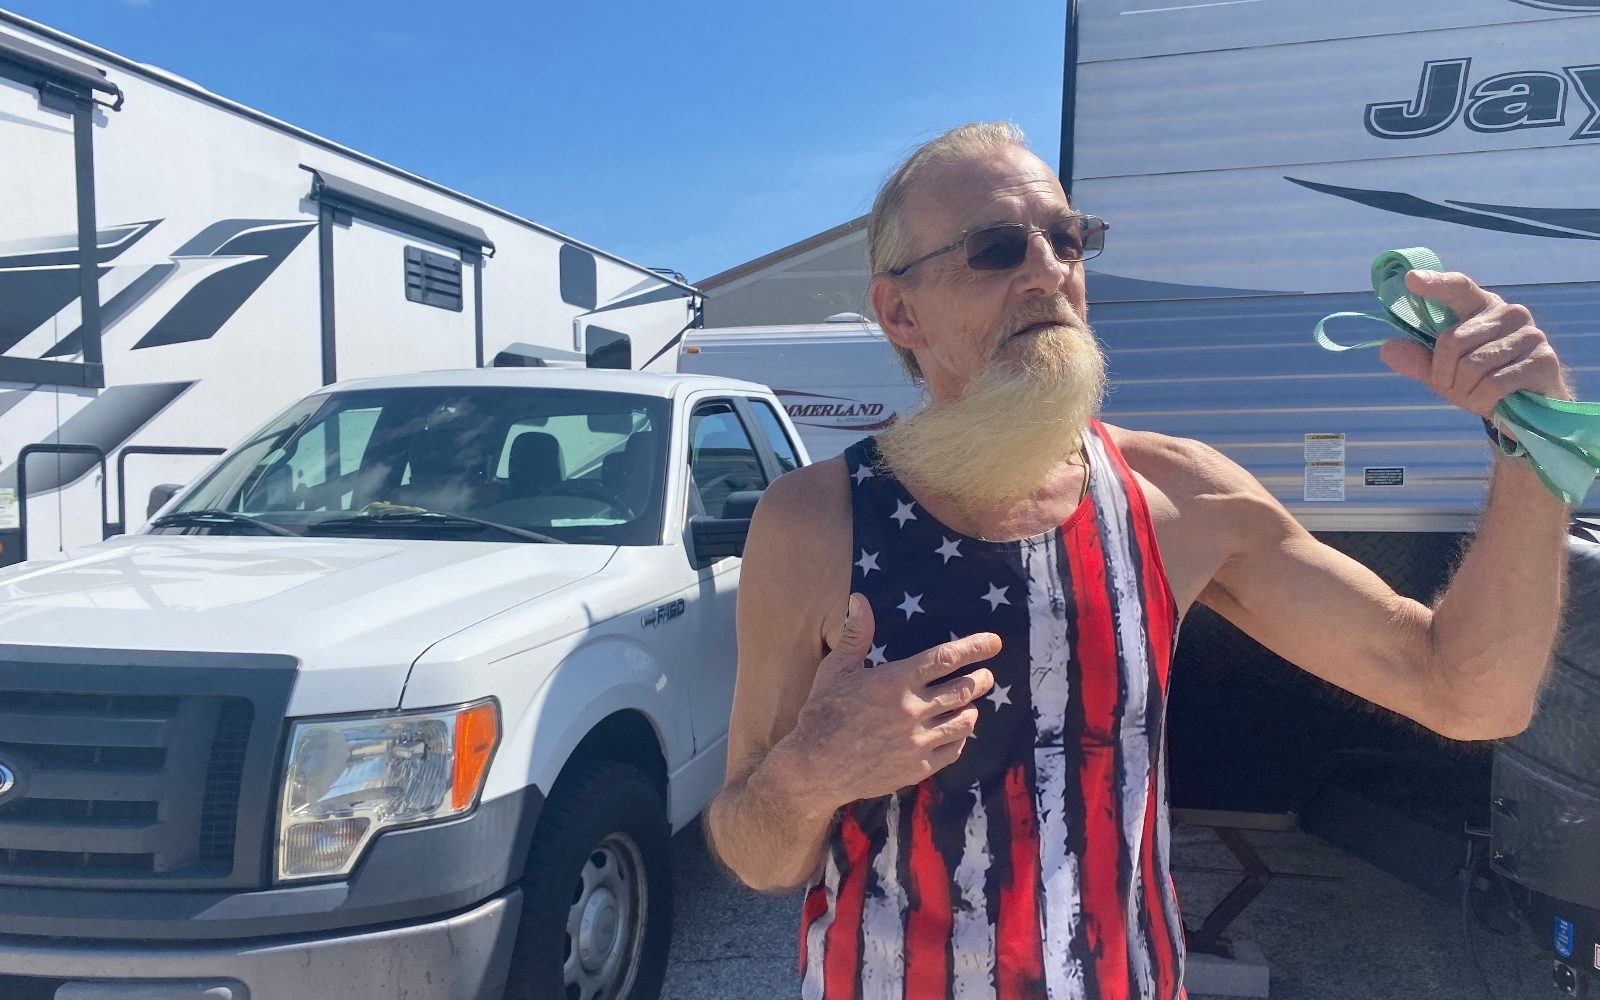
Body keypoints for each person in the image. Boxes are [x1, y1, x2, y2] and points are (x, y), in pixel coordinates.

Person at [704, 122, 1572, 1000]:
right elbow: (757, 857)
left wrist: (1530, 446)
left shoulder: (1179, 496)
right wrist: (807, 773)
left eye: (1067, 239)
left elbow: (1469, 693)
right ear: (901, 312)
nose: (1049, 271)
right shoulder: (813, 520)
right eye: (996, 248)